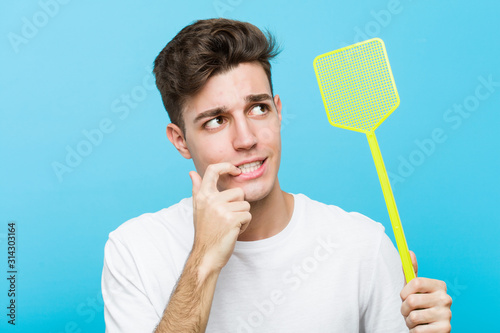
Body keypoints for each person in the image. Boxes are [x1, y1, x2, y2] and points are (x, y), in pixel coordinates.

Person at [101, 18, 452, 332]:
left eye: (258, 108)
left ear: (278, 111)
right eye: (216, 120)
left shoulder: (362, 245)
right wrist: (204, 259)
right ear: (180, 141)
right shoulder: (135, 250)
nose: (247, 139)